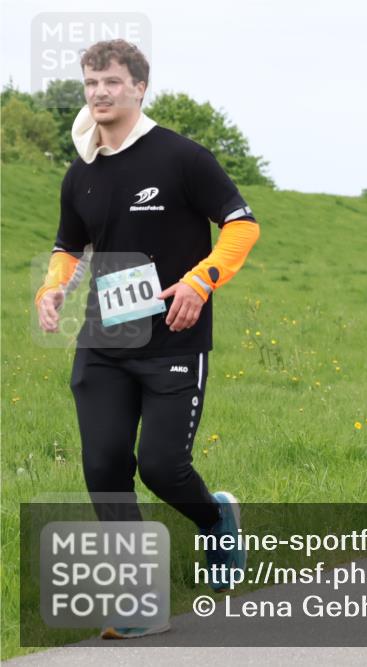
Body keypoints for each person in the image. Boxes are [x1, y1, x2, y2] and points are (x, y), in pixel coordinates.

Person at [34, 39, 260, 638]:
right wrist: (53, 288)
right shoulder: (80, 172)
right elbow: (67, 246)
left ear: (139, 87)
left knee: (161, 466)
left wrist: (200, 281)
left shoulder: (181, 158)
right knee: (105, 465)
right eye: (91, 83)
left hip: (175, 341)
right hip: (104, 341)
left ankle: (216, 521)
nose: (100, 92)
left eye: (111, 81)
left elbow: (242, 226)